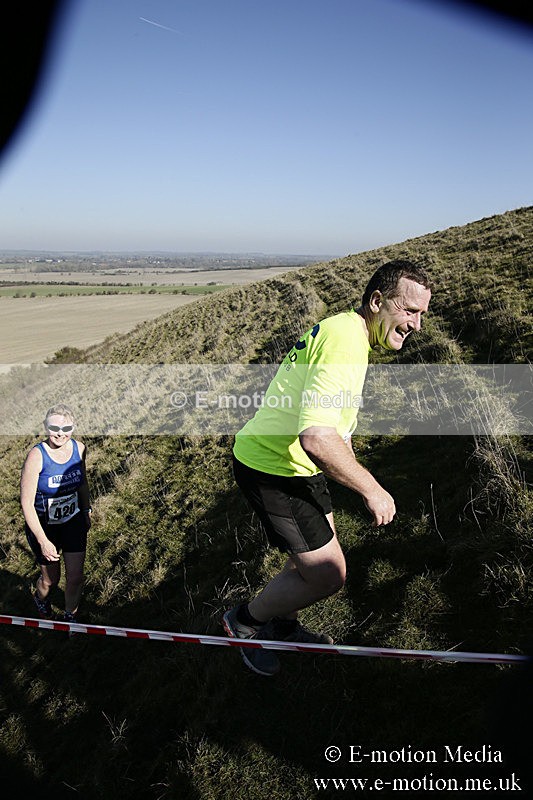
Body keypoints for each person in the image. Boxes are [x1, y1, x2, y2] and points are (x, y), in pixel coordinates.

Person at [223, 260, 432, 675]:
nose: (418, 324)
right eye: (410, 310)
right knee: (328, 575)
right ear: (377, 301)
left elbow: (333, 425)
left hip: (295, 464)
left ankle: (283, 625)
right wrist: (371, 489)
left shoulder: (346, 331)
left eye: (422, 314)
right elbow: (317, 437)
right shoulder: (345, 344)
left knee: (314, 554)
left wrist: (346, 462)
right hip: (273, 468)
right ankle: (245, 623)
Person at [20, 403, 91, 623]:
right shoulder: (37, 456)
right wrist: (42, 540)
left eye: (66, 427)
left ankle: (70, 617)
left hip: (73, 521)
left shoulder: (79, 449)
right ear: (45, 427)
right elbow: (26, 504)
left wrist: (86, 510)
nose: (60, 433)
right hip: (44, 527)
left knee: (75, 578)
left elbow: (82, 483)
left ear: (73, 427)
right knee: (50, 580)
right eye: (54, 427)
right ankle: (41, 600)